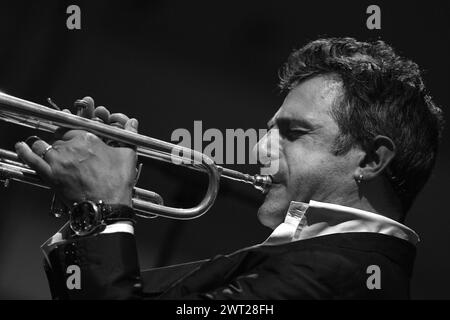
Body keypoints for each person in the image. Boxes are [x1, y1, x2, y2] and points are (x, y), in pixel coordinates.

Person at [15, 37, 444, 299]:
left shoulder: (334, 276)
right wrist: (88, 210)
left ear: (370, 160)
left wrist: (103, 206)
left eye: (294, 133)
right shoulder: (312, 262)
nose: (259, 147)